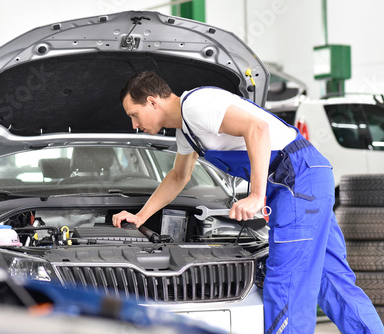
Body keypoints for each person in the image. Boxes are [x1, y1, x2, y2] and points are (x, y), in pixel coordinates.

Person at [112, 71, 384, 334]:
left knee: (287, 282)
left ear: (152, 101)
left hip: (297, 180)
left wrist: (256, 194)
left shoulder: (196, 105)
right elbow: (178, 176)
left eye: (133, 115)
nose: (134, 124)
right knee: (331, 279)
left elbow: (257, 127)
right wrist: (141, 216)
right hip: (306, 178)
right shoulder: (186, 132)